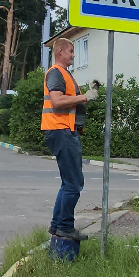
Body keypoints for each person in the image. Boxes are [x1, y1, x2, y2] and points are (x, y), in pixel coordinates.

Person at [42, 38, 98, 240]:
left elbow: (69, 101)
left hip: (63, 131)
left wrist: (87, 95)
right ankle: (65, 227)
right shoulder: (56, 72)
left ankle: (57, 225)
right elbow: (57, 101)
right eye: (71, 51)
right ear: (59, 51)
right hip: (61, 130)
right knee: (74, 183)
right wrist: (85, 97)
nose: (73, 55)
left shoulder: (64, 74)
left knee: (68, 183)